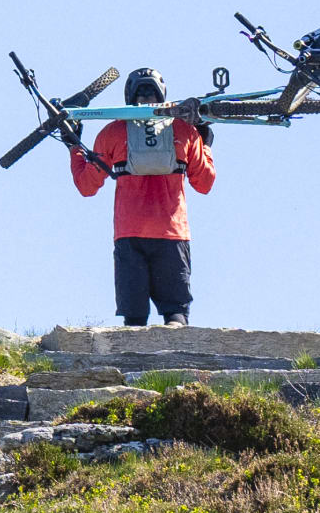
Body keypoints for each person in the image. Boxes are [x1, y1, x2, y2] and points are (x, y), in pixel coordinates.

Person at [65, 69, 214, 327]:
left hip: (129, 234)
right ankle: (176, 347)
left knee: (134, 320)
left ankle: (134, 352)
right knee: (176, 315)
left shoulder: (113, 132)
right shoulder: (184, 131)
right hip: (172, 234)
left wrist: (74, 146)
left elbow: (87, 186)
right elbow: (204, 183)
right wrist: (206, 145)